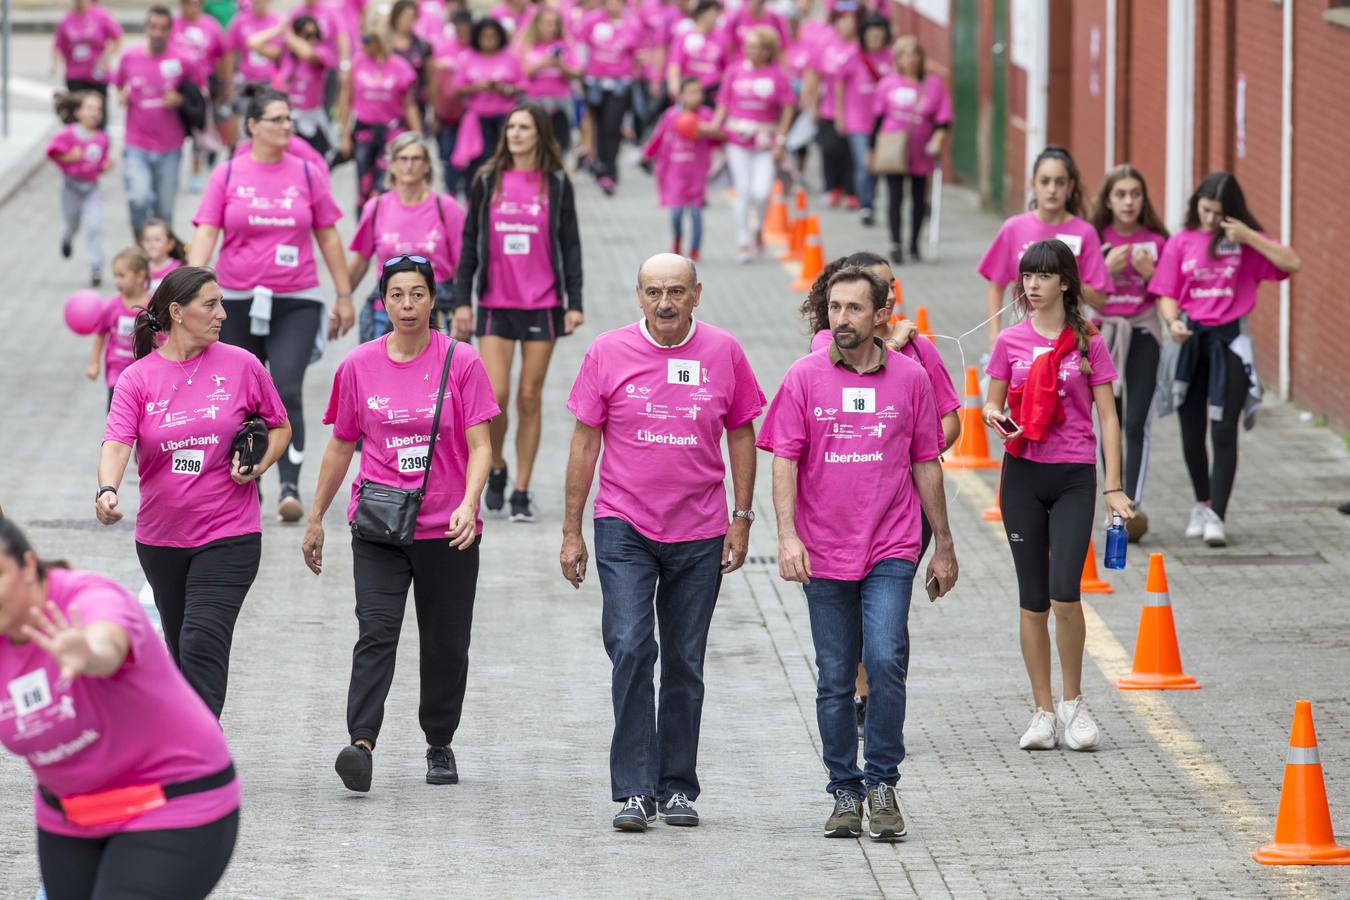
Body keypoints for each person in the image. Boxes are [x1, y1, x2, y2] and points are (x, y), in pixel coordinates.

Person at [560, 252, 765, 832]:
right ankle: (633, 790)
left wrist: (741, 517)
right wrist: (572, 530)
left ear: (697, 294)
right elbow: (584, 443)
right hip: (624, 524)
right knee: (630, 647)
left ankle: (676, 786)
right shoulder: (607, 351)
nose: (665, 303)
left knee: (683, 660)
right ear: (639, 296)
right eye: (654, 292)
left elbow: (742, 434)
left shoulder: (724, 351)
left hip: (699, 530)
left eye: (676, 291)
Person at [761, 264, 957, 840]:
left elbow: (926, 462)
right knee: (835, 675)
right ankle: (844, 789)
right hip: (823, 551)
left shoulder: (911, 378)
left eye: (853, 308)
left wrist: (944, 545)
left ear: (881, 315)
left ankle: (883, 783)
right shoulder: (803, 377)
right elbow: (784, 460)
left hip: (891, 545)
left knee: (887, 657)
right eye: (834, 307)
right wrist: (787, 535)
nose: (841, 318)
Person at [302, 254, 498, 794]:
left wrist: (469, 502)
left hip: (448, 530)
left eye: (417, 294)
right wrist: (315, 517)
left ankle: (439, 742)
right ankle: (361, 743)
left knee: (444, 643)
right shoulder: (358, 365)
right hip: (379, 526)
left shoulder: (461, 361)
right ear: (382, 302)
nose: (407, 305)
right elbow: (341, 445)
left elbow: (481, 445)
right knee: (376, 632)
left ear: (433, 300)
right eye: (396, 295)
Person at [0, 519, 240, 900]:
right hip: (70, 817)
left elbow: (108, 639)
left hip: (173, 800)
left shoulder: (84, 596)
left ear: (27, 565)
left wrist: (88, 652)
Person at [96, 266, 292, 717]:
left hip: (230, 533)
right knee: (182, 648)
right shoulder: (138, 378)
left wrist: (259, 464)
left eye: (221, 303)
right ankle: (189, 737)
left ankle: (201, 746)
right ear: (178, 312)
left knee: (202, 639)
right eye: (211, 304)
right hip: (161, 539)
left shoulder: (242, 365)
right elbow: (117, 440)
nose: (223, 313)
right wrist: (107, 489)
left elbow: (280, 427)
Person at [983, 239, 1132, 751]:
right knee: (1032, 600)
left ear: (1065, 282)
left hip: (1073, 476)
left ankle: (1074, 703)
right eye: (1027, 275)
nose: (1032, 284)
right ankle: (1043, 711)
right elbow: (992, 403)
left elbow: (1108, 417)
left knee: (1065, 592)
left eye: (1043, 275)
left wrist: (1113, 485)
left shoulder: (1089, 342)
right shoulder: (1010, 341)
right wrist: (994, 417)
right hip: (1023, 475)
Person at [188, 87, 354, 523]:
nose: (287, 126)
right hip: (235, 300)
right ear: (253, 126)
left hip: (295, 298)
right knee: (239, 396)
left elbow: (328, 235)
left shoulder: (307, 173)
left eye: (289, 118)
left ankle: (289, 485)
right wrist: (187, 289)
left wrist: (343, 294)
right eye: (277, 119)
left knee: (286, 387)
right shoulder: (227, 174)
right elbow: (207, 231)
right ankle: (249, 478)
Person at [1149, 172, 1300, 547]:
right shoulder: (1181, 240)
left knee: (1223, 429)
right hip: (1190, 340)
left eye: (1218, 212)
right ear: (1195, 205)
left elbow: (1291, 262)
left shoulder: (1243, 242)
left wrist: (1248, 236)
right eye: (1205, 210)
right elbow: (1166, 291)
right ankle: (1201, 503)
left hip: (1230, 343)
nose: (1211, 219)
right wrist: (1172, 321)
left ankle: (1218, 514)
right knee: (1191, 432)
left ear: (1231, 212)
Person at [454, 103, 583, 522]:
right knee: (496, 398)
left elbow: (570, 242)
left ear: (540, 134)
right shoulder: (488, 180)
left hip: (543, 304)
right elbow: (470, 241)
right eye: (511, 127)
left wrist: (575, 302)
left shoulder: (556, 183)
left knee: (529, 397)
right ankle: (496, 466)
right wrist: (462, 300)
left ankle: (522, 490)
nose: (515, 133)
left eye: (524, 127)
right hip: (495, 302)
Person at [1088, 164, 1168, 541]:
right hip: (1103, 337)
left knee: (1136, 423)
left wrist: (1152, 274)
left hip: (1144, 334)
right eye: (1120, 194)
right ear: (1108, 200)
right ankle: (1114, 498)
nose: (1128, 201)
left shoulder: (1156, 241)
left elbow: (1171, 291)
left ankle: (1131, 504)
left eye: (1135, 194)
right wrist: (1105, 268)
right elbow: (1080, 288)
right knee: (1110, 422)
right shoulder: (1094, 238)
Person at [978, 146, 1110, 347]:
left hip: (1069, 330)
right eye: (1045, 181)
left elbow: (1099, 298)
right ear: (1033, 183)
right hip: (1023, 330)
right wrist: (994, 334)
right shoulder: (1013, 228)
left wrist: (1061, 281)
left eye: (1060, 182)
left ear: (1070, 185)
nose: (1052, 189)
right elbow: (996, 286)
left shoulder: (1085, 232)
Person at [348, 132, 466, 342]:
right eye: (402, 159)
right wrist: (342, 299)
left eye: (416, 159)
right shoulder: (376, 207)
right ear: (392, 165)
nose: (409, 165)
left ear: (427, 165)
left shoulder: (446, 207)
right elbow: (360, 263)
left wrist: (464, 308)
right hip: (386, 312)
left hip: (437, 309)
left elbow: (463, 265)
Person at [711, 26, 796, 263]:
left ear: (768, 50)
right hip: (737, 139)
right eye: (747, 46)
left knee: (762, 192)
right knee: (743, 190)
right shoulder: (735, 70)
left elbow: (788, 108)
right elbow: (723, 103)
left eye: (756, 47)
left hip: (765, 141)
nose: (750, 51)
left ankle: (758, 228)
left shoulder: (778, 74)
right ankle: (743, 242)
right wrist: (715, 127)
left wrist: (781, 140)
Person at [869, 35, 948, 261]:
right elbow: (877, 119)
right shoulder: (887, 84)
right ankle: (895, 242)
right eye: (904, 55)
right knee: (895, 196)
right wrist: (872, 150)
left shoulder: (933, 85)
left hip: (921, 150)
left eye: (914, 54)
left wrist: (938, 139)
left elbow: (943, 120)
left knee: (918, 197)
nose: (910, 59)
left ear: (921, 58)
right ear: (897, 59)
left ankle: (914, 243)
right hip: (893, 148)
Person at [114, 5, 191, 235]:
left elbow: (198, 94)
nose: (157, 33)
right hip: (136, 144)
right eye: (153, 27)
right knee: (138, 199)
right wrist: (121, 95)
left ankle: (162, 256)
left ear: (170, 31)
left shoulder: (183, 60)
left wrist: (180, 99)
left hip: (170, 147)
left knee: (164, 212)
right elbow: (118, 84)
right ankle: (141, 247)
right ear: (146, 28)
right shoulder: (130, 57)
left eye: (163, 28)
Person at [338, 28, 421, 215]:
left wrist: (417, 138)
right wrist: (344, 136)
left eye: (369, 41)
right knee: (363, 186)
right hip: (364, 132)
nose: (364, 45)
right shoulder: (358, 63)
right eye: (363, 41)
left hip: (391, 133)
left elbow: (409, 104)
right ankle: (363, 225)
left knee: (385, 184)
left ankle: (385, 223)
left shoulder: (400, 66)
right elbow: (345, 100)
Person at [644, 78, 719, 261]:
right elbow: (659, 137)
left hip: (697, 172)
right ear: (681, 95)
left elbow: (719, 137)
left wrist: (707, 130)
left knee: (696, 212)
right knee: (676, 212)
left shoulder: (707, 115)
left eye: (699, 92)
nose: (696, 96)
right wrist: (647, 154)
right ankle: (677, 240)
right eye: (691, 92)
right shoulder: (671, 115)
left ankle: (695, 248)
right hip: (675, 172)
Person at [48, 91, 112, 287]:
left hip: (91, 188)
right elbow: (52, 152)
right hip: (71, 188)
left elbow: (100, 162)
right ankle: (67, 237)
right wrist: (68, 158)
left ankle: (96, 267)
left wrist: (106, 166)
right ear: (78, 112)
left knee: (94, 225)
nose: (95, 113)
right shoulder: (68, 134)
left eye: (98, 109)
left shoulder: (102, 138)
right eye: (90, 108)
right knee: (72, 223)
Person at [579, 0, 643, 195]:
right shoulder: (593, 20)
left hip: (620, 84)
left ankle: (610, 170)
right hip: (595, 83)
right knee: (598, 126)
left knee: (612, 127)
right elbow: (580, 45)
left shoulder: (632, 23)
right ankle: (600, 167)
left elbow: (637, 53)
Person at [453, 18, 523, 181]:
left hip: (504, 117)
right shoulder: (467, 58)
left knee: (506, 157)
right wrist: (477, 87)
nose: (489, 40)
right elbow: (457, 89)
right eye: (484, 36)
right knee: (481, 160)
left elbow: (523, 85)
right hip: (478, 119)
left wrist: (504, 88)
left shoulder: (511, 58)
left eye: (493, 36)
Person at [170, 0, 228, 193]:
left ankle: (196, 171)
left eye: (195, 3)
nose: (191, 7)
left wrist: (223, 85)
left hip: (203, 83)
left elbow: (221, 55)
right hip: (177, 82)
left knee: (200, 128)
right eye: (187, 3)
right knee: (175, 127)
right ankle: (171, 168)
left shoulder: (211, 25)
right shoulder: (173, 24)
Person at [804, 2, 857, 211]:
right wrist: (812, 104)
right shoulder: (825, 42)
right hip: (828, 106)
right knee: (830, 149)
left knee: (850, 152)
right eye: (843, 18)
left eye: (851, 18)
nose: (848, 23)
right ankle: (832, 187)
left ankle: (851, 191)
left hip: (854, 109)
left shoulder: (859, 44)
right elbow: (813, 73)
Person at [839, 13, 890, 224]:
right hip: (857, 119)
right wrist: (840, 115)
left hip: (883, 121)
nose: (875, 39)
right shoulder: (854, 56)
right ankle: (866, 205)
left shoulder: (890, 57)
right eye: (871, 35)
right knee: (863, 163)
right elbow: (840, 85)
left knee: (877, 163)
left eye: (879, 35)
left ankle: (871, 199)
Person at [86, 248, 151, 408]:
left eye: (122, 276)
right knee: (117, 412)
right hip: (117, 372)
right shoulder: (111, 306)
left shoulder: (153, 307)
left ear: (140, 276)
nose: (117, 281)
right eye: (115, 276)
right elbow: (100, 335)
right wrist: (94, 364)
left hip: (145, 372)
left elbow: (164, 338)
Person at [270, 14, 337, 158]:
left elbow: (307, 53)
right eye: (307, 35)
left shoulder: (321, 52)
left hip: (312, 119)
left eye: (315, 35)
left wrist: (288, 36)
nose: (312, 39)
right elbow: (253, 43)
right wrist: (277, 31)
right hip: (288, 119)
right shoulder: (286, 54)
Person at [520, 5, 583, 156]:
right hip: (535, 100)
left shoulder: (565, 45)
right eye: (546, 23)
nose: (550, 27)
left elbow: (577, 72)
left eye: (554, 23)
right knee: (535, 142)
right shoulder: (528, 45)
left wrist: (560, 65)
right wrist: (542, 63)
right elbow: (520, 73)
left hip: (560, 100)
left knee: (560, 143)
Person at [52, 0, 122, 128]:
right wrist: (55, 63)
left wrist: (105, 57)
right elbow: (59, 45)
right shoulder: (67, 19)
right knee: (77, 116)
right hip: (75, 75)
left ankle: (99, 138)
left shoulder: (100, 15)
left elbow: (116, 38)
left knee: (98, 116)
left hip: (97, 74)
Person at [665, 1, 726, 107]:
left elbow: (724, 68)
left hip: (712, 91)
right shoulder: (684, 37)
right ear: (702, 14)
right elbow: (674, 63)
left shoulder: (721, 38)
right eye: (714, 13)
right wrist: (674, 85)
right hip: (689, 90)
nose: (717, 17)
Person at [388, 0, 435, 129]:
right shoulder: (385, 45)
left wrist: (434, 112)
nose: (408, 20)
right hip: (390, 106)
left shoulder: (422, 46)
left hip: (416, 103)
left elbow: (430, 81)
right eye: (404, 16)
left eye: (412, 16)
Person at [140, 217, 187, 290]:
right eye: (147, 240)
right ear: (142, 243)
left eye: (157, 239)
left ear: (170, 244)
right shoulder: (141, 270)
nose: (152, 244)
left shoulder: (178, 269)